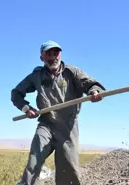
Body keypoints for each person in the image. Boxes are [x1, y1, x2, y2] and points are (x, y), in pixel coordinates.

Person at [11, 40, 106, 185]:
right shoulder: (37, 76)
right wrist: (26, 109)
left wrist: (94, 91)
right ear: (42, 57)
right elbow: (16, 93)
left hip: (68, 127)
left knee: (68, 170)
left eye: (56, 53)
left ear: (60, 55)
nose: (53, 57)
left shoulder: (71, 72)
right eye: (48, 53)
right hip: (46, 124)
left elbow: (90, 84)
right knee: (34, 161)